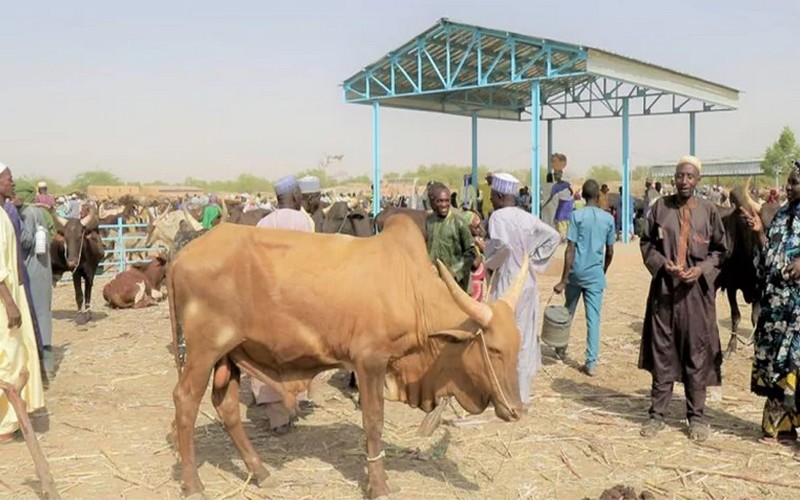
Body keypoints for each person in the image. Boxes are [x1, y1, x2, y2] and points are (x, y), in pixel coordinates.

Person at [638, 156, 727, 442]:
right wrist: (663, 264)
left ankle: (696, 417)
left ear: (698, 179)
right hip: (664, 292)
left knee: (696, 353)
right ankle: (657, 416)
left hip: (696, 295)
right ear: (674, 178)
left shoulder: (709, 211)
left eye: (690, 176)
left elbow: (720, 251)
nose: (684, 181)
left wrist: (700, 269)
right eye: (679, 176)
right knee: (663, 351)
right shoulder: (660, 208)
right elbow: (647, 242)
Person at [484, 173, 561, 406]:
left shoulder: (497, 218)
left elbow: (500, 249)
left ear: (499, 195)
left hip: (507, 283)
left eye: (491, 197)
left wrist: (487, 259)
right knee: (524, 338)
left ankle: (502, 392)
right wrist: (533, 260)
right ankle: (522, 395)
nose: (490, 201)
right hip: (526, 282)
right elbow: (554, 236)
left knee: (502, 337)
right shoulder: (528, 218)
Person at [741, 162, 800, 453]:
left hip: (797, 308)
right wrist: (759, 233)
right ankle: (779, 427)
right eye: (788, 182)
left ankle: (792, 426)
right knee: (775, 364)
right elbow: (769, 256)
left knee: (795, 364)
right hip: (775, 304)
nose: (789, 187)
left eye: (794, 182)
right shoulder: (780, 215)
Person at [253, 176, 314, 434]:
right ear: (296, 195)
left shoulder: (262, 223)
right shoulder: (304, 221)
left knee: (267, 354)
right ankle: (293, 404)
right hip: (296, 298)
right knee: (295, 352)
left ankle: (277, 418)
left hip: (268, 299)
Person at [0, 162, 45, 443]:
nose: (12, 182)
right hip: (4, 298)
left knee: (15, 352)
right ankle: (4, 423)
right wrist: (9, 302)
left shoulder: (5, 213)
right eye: (7, 178)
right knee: (7, 354)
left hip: (12, 292)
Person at [552, 180, 616, 376]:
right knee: (593, 319)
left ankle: (560, 348)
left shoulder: (576, 216)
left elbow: (569, 250)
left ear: (584, 196)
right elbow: (610, 251)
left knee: (568, 312)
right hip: (595, 274)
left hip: (576, 272)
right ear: (598, 195)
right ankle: (591, 362)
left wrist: (564, 279)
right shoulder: (608, 219)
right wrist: (602, 270)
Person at [13, 183, 54, 380]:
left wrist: (14, 221)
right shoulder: (40, 213)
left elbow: (26, 241)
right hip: (43, 271)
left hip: (32, 271)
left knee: (35, 314)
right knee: (43, 312)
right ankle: (48, 366)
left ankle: (43, 368)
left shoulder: (27, 213)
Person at [425, 182, 477, 292]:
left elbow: (471, 253)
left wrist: (453, 271)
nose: (444, 205)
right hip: (435, 281)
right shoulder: (429, 221)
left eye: (446, 201)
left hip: (457, 284)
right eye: (440, 201)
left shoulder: (459, 222)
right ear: (433, 203)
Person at [551, 169, 573, 241]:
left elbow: (571, 192)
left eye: (556, 175)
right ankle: (564, 237)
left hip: (565, 205)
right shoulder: (556, 186)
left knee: (562, 221)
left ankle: (563, 237)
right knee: (563, 222)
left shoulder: (563, 185)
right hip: (565, 204)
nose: (555, 176)